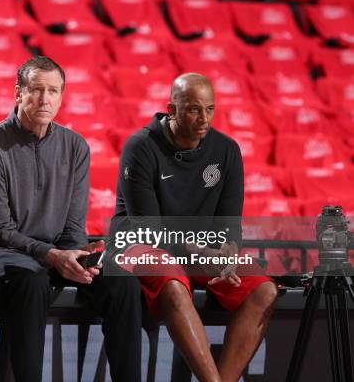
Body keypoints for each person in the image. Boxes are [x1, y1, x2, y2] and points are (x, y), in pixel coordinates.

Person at [0, 56, 142, 381]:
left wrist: (75, 257)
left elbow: (72, 227)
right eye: (36, 89)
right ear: (18, 93)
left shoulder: (75, 147)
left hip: (53, 252)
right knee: (32, 279)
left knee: (120, 281)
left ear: (61, 96)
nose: (45, 99)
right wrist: (52, 256)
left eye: (53, 91)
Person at [113, 73, 278, 382]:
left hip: (200, 249)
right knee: (174, 287)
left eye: (210, 109)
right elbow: (149, 229)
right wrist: (204, 252)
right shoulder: (140, 146)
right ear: (172, 109)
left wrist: (228, 252)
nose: (204, 118)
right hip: (141, 245)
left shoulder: (227, 150)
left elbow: (229, 225)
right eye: (193, 109)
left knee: (264, 289)